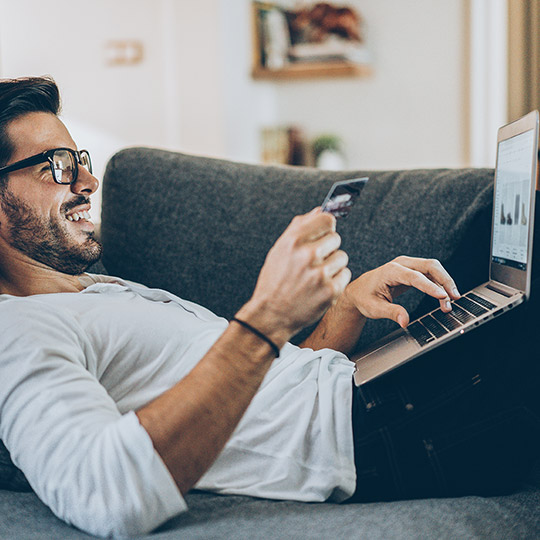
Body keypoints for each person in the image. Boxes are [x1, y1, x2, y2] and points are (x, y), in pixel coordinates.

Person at [0, 77, 538, 538]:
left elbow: (265, 403)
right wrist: (267, 318)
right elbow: (104, 495)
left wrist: (343, 312)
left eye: (82, 162)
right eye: (58, 166)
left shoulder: (93, 289)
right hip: (378, 431)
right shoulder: (15, 332)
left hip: (364, 397)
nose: (88, 183)